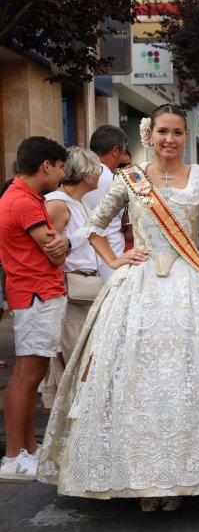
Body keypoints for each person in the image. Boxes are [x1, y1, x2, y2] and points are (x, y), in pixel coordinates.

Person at [36, 104, 199, 510]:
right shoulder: (129, 180)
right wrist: (116, 260)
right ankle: (142, 477)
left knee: (191, 376)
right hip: (139, 288)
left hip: (193, 287)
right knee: (136, 378)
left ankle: (184, 475)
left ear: (186, 136)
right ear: (148, 135)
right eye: (162, 132)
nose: (169, 139)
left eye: (176, 132)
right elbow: (94, 226)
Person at [0, 137, 69, 480]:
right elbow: (55, 250)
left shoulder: (22, 196)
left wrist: (60, 244)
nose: (61, 175)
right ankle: (14, 455)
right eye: (59, 167)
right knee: (27, 376)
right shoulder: (23, 202)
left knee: (32, 375)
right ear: (46, 165)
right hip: (36, 295)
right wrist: (64, 242)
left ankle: (26, 448)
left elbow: (54, 246)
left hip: (35, 294)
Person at [41, 147, 104, 410]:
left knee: (85, 358)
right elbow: (47, 249)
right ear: (86, 172)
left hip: (85, 287)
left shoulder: (79, 202)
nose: (100, 174)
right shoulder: (58, 202)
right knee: (73, 358)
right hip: (70, 290)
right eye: (97, 168)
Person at [86, 124, 128, 280]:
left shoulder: (74, 178)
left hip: (82, 265)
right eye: (123, 153)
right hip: (112, 260)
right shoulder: (118, 182)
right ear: (115, 150)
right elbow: (127, 225)